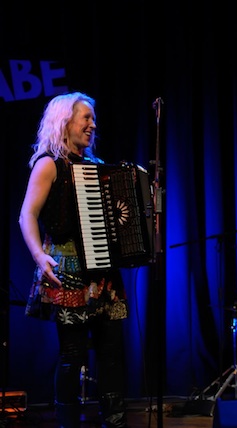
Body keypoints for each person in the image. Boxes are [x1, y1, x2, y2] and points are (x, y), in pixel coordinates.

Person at [19, 92, 128, 428]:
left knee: (111, 354)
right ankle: (68, 422)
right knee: (72, 355)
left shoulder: (96, 167)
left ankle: (115, 419)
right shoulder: (48, 163)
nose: (92, 125)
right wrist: (40, 256)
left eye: (93, 119)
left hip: (104, 274)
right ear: (65, 121)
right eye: (86, 118)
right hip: (67, 272)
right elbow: (27, 215)